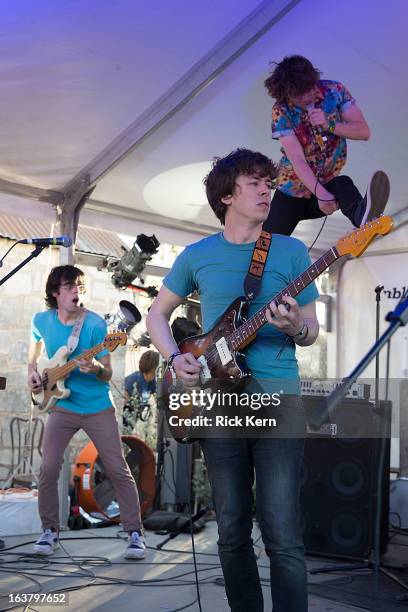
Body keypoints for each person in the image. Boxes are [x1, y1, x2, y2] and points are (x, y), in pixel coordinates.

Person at [146, 148, 320, 611]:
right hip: (219, 403)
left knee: (283, 532)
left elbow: (311, 329)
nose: (268, 190)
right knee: (231, 529)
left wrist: (293, 327)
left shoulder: (290, 250)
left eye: (270, 182)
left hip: (278, 402)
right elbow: (157, 315)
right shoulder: (197, 255)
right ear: (227, 195)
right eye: (255, 182)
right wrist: (172, 359)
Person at [27, 265, 145, 560]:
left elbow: (107, 373)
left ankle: (134, 533)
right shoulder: (41, 320)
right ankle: (49, 531)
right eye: (70, 286)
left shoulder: (94, 325)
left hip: (96, 407)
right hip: (62, 406)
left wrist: (94, 368)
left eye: (80, 286)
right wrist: (32, 370)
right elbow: (35, 348)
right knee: (49, 467)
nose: (76, 292)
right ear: (55, 292)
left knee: (118, 468)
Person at [263, 54, 390, 236]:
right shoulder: (281, 111)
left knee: (343, 184)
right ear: (286, 94)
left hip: (327, 184)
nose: (306, 97)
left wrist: (329, 124)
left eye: (309, 89)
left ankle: (363, 219)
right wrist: (320, 194)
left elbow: (363, 132)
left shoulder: (334, 91)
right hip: (292, 190)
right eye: (298, 95)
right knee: (266, 244)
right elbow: (297, 159)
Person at [122, 349, 159, 433]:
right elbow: (121, 403)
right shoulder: (135, 379)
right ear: (153, 367)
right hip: (124, 419)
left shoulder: (152, 381)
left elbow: (159, 397)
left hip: (133, 420)